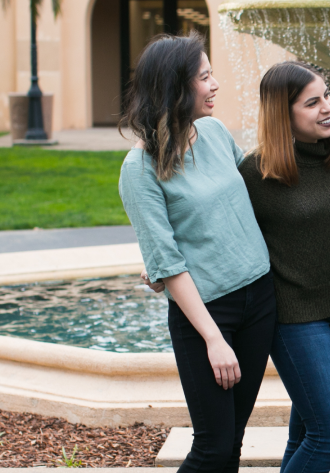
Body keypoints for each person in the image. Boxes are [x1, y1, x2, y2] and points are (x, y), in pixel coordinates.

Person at [118, 33, 276, 473]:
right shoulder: (139, 169)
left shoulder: (213, 131)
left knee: (233, 441)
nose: (215, 85)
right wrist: (213, 339)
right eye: (204, 76)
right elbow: (167, 264)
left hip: (260, 299)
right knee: (212, 445)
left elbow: (261, 188)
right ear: (174, 86)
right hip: (207, 316)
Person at [237, 62, 330, 473]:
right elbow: (221, 234)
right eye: (313, 103)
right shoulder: (256, 173)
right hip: (295, 318)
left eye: (326, 96)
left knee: (306, 432)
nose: (328, 107)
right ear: (283, 114)